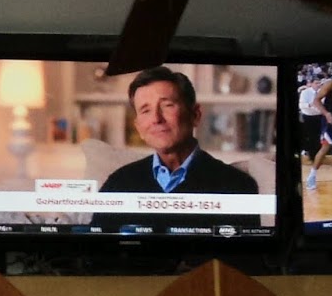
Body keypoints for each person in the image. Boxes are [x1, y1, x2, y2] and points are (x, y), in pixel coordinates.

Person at [98, 66, 260, 199]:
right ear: (139, 127)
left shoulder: (236, 185)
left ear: (195, 115)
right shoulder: (118, 183)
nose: (156, 118)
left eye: (167, 105)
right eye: (145, 110)